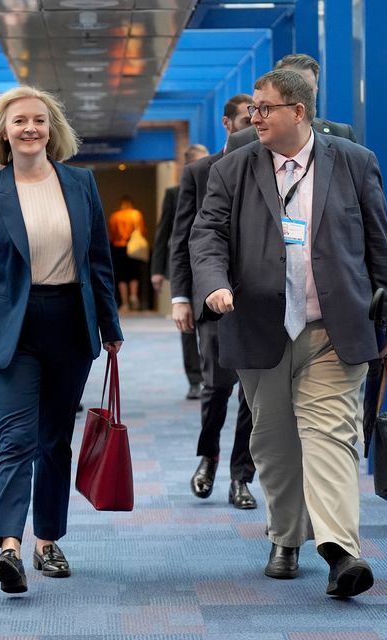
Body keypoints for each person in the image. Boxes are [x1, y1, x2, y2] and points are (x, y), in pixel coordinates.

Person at [189, 69, 387, 597]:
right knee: (274, 442)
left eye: (265, 108)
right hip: (260, 325)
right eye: (254, 109)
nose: (253, 117)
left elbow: (380, 245)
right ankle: (286, 537)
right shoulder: (233, 168)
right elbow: (207, 234)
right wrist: (214, 285)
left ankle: (338, 550)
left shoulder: (353, 163)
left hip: (333, 327)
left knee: (331, 434)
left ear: (298, 112)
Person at [0, 86, 123, 595]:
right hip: (10, 331)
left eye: (39, 121)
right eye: (19, 121)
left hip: (70, 321)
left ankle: (48, 539)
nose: (30, 129)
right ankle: (10, 547)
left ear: (52, 129)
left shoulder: (81, 183)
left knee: (54, 441)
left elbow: (98, 261)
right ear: (4, 131)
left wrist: (109, 327)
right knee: (17, 438)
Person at [170, 94, 258, 510]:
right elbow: (184, 238)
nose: (253, 122)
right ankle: (209, 456)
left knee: (253, 396)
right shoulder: (200, 172)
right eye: (246, 116)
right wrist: (182, 296)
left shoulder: (270, 167)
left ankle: (242, 476)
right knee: (217, 387)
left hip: (260, 301)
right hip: (213, 298)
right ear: (228, 123)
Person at [151, 143, 209, 400]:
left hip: (211, 265)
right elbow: (164, 232)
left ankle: (213, 375)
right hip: (184, 266)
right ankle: (195, 380)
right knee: (188, 325)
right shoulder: (175, 193)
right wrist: (157, 270)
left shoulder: (223, 183)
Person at [225, 53, 357, 153]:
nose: (301, 97)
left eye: (307, 89)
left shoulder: (341, 134)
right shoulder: (241, 142)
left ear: (316, 89)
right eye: (292, 89)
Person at [108, 196, 146, 311]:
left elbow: (111, 233)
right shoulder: (136, 214)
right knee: (134, 273)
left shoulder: (115, 216)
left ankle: (125, 302)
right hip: (134, 248)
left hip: (119, 247)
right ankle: (133, 295)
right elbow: (142, 231)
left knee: (121, 275)